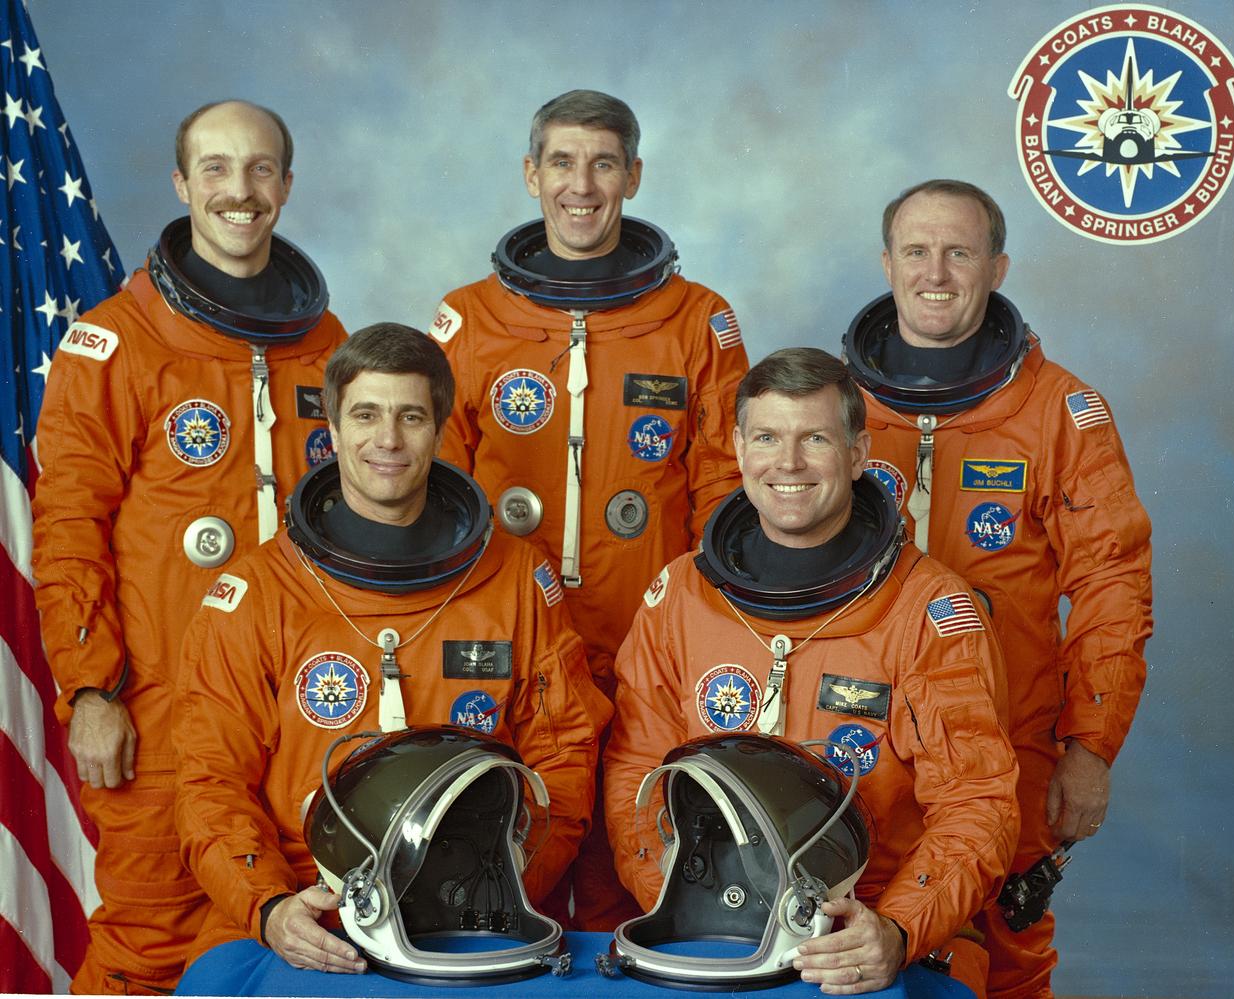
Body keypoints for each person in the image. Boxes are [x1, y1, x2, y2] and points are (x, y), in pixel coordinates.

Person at [171, 325, 612, 971]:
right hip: (313, 910)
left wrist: (506, 881)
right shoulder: (259, 591)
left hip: (475, 910)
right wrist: (269, 905)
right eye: (366, 414)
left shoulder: (515, 576)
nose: (388, 439)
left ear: (439, 429)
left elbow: (563, 756)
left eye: (411, 416)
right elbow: (211, 778)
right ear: (333, 425)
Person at [32, 99, 347, 994]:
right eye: (215, 168)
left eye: (258, 170)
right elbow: (68, 527)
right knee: (148, 940)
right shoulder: (116, 341)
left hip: (296, 710)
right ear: (181, 184)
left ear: (285, 186)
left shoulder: (322, 341)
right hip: (163, 706)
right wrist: (91, 687)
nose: (238, 191)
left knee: (273, 944)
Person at [429, 89, 749, 929]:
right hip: (508, 643)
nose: (583, 184)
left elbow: (726, 491)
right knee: (500, 859)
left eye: (604, 163)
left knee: (634, 869)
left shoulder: (697, 319)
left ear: (634, 176)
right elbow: (434, 494)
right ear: (531, 174)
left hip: (647, 640)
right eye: (562, 162)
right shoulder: (468, 319)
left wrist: (707, 626)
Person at [605, 348, 1019, 995]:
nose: (788, 463)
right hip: (723, 927)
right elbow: (636, 769)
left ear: (857, 453)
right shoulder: (680, 596)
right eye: (767, 437)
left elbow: (977, 802)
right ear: (739, 448)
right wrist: (683, 893)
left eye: (815, 438)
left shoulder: (927, 609)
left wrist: (897, 928)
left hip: (871, 931)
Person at [843, 179, 1153, 998]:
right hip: (853, 740)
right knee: (847, 946)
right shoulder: (830, 410)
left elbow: (1112, 586)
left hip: (1006, 739)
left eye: (960, 251)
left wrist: (1091, 748)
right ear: (887, 263)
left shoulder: (1060, 412)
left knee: (1010, 959)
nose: (935, 271)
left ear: (999, 266)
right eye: (916, 250)